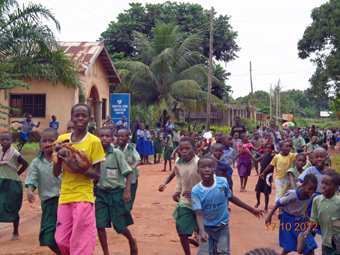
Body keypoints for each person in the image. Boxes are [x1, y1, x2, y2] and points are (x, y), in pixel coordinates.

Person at [53, 103, 106, 255]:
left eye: (84, 116)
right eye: (77, 115)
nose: (80, 118)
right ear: (72, 118)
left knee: (80, 241)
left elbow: (97, 174)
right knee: (61, 240)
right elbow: (56, 173)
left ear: (90, 119)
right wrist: (58, 156)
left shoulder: (94, 141)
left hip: (84, 195)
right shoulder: (62, 139)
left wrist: (78, 170)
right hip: (65, 196)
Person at [192, 156, 263, 255]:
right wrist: (202, 231)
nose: (207, 169)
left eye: (210, 167)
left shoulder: (222, 182)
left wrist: (251, 209)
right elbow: (199, 214)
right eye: (203, 167)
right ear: (198, 171)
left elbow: (231, 197)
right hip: (206, 227)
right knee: (204, 253)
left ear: (215, 170)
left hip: (222, 226)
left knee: (223, 252)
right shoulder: (196, 191)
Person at [95, 127, 138, 255]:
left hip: (116, 193)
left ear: (112, 137)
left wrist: (127, 190)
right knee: (100, 224)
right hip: (101, 193)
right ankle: (106, 253)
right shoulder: (95, 153)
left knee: (119, 226)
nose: (104, 138)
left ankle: (131, 240)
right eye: (101, 136)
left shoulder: (117, 153)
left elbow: (129, 172)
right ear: (97, 137)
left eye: (107, 136)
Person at [25, 128, 62, 254]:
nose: (47, 144)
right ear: (40, 143)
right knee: (47, 236)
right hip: (48, 203)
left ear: (57, 142)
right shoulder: (36, 162)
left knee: (65, 233)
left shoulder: (62, 158)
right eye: (44, 141)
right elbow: (32, 179)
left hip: (65, 202)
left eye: (51, 141)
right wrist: (30, 190)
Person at [265, 174, 318, 255]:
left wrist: (306, 215)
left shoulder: (311, 196)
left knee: (308, 245)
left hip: (300, 220)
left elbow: (305, 205)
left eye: (314, 189)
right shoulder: (293, 194)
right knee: (290, 244)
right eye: (310, 189)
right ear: (303, 185)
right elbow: (279, 203)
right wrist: (269, 216)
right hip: (288, 219)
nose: (311, 191)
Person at [172, 137, 201, 255]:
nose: (183, 151)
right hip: (186, 203)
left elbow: (209, 184)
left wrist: (196, 193)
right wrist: (177, 191)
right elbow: (179, 177)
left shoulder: (200, 163)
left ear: (195, 149)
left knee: (207, 234)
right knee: (182, 230)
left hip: (202, 204)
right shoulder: (178, 162)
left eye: (187, 149)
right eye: (181, 149)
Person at [0, 131, 29, 240]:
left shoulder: (15, 153)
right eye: (2, 140)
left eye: (7, 139)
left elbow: (25, 163)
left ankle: (15, 231)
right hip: (0, 182)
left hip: (12, 184)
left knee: (12, 207)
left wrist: (17, 173)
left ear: (12, 141)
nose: (5, 141)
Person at [303, 172, 340, 255]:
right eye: (322, 182)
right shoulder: (317, 200)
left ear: (336, 188)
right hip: (327, 242)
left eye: (327, 184)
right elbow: (314, 219)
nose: (323, 186)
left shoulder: (338, 202)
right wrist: (307, 230)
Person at [115, 128, 141, 211]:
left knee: (129, 200)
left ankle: (126, 216)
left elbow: (138, 160)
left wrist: (133, 166)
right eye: (118, 136)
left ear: (128, 138)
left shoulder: (131, 148)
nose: (120, 138)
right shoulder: (115, 148)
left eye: (122, 136)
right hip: (119, 179)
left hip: (132, 179)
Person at [247, 142, 275, 212]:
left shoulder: (273, 157)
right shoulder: (263, 156)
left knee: (266, 192)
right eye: (266, 148)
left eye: (270, 149)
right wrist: (249, 154)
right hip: (261, 175)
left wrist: (276, 152)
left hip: (268, 176)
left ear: (272, 150)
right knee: (258, 190)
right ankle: (258, 202)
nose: (268, 150)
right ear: (264, 149)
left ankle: (266, 207)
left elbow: (277, 155)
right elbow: (256, 160)